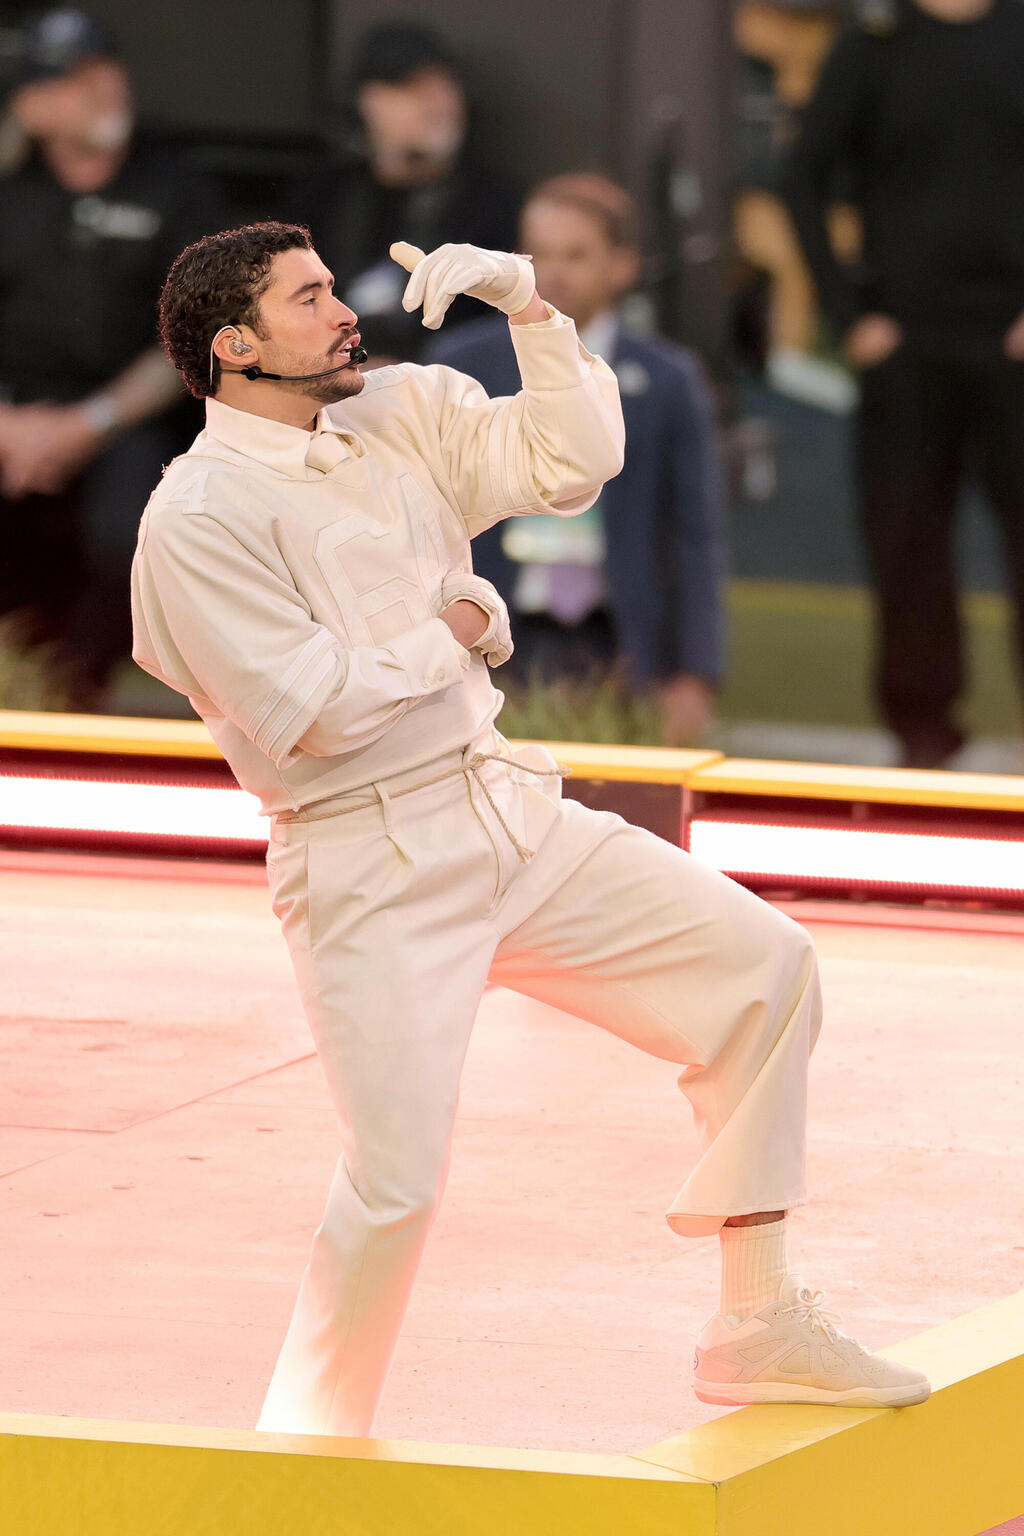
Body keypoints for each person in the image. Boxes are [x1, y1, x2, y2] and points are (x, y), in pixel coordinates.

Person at [131, 219, 929, 1437]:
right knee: (393, 1187)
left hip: (501, 804)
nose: (344, 310)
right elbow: (306, 713)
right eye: (308, 299)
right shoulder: (193, 516)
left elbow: (573, 458)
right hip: (362, 861)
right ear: (236, 346)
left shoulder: (396, 411)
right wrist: (452, 629)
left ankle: (758, 1319)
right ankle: (303, 1450)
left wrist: (534, 317)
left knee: (762, 969)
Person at [783, 0, 1024, 767]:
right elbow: (803, 176)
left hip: (1017, 339)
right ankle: (924, 739)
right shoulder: (873, 45)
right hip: (905, 341)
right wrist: (848, 311)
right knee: (907, 541)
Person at [424, 173, 726, 747]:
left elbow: (695, 533)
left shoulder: (669, 378)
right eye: (537, 254)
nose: (553, 271)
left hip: (619, 638)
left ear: (623, 266)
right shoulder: (458, 363)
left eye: (576, 254)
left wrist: (696, 672)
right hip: (491, 627)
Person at [0, 7, 223, 709]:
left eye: (106, 68)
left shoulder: (176, 186)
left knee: (135, 527)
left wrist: (88, 423)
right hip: (12, 413)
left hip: (128, 419)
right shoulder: (12, 189)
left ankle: (79, 700)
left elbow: (195, 330)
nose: (103, 88)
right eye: (74, 80)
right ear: (31, 106)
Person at [294, 22, 519, 363]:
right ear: (365, 102)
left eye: (445, 86)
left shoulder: (496, 205)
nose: (436, 104)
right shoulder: (325, 196)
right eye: (409, 88)